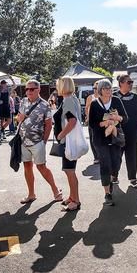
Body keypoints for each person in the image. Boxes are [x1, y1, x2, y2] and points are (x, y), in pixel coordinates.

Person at [16, 79, 62, 204]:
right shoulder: (23, 101)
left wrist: (44, 141)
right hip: (23, 140)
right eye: (27, 89)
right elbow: (19, 118)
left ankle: (55, 190)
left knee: (41, 167)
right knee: (27, 166)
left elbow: (48, 124)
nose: (28, 91)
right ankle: (31, 194)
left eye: (32, 89)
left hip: (37, 142)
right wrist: (18, 118)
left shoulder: (44, 104)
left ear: (38, 90)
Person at [88, 79, 127, 206]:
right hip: (100, 139)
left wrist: (118, 118)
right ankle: (107, 193)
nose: (108, 91)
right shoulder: (94, 104)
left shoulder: (116, 100)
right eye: (105, 88)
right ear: (100, 90)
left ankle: (111, 180)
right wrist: (104, 123)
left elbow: (125, 118)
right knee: (105, 164)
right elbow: (92, 124)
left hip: (115, 138)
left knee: (116, 162)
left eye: (110, 88)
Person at [114, 74, 137, 188]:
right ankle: (114, 175)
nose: (131, 84)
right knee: (117, 154)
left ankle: (133, 178)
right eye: (129, 82)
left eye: (131, 82)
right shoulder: (114, 97)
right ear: (121, 83)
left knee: (132, 154)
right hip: (118, 131)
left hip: (134, 130)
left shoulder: (136, 98)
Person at [55, 76, 83, 211]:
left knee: (70, 171)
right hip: (69, 141)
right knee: (69, 171)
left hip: (68, 142)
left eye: (58, 85)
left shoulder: (68, 100)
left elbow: (72, 121)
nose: (56, 87)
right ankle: (72, 197)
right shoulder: (72, 98)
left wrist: (61, 135)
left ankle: (76, 200)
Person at [85, 81, 101, 164]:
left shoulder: (104, 97)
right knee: (93, 139)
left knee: (101, 139)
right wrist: (88, 117)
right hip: (92, 122)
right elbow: (87, 108)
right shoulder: (90, 97)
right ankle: (96, 157)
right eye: (94, 88)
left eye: (96, 88)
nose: (95, 90)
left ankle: (102, 155)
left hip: (102, 122)